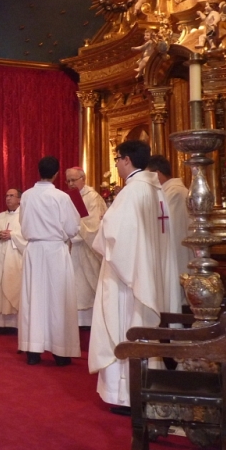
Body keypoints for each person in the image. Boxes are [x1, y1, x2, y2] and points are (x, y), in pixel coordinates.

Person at [88, 140, 180, 413]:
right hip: (148, 272)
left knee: (126, 325)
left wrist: (103, 227)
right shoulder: (157, 191)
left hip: (127, 280)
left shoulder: (131, 193)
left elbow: (113, 238)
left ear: (127, 160)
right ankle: (147, 383)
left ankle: (125, 393)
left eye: (118, 159)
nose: (116, 164)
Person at [18, 156, 81, 366]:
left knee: (33, 299)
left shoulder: (26, 196)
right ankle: (60, 352)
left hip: (34, 249)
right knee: (58, 299)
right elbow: (73, 227)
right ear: (56, 174)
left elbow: (22, 222)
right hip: (55, 250)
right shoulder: (61, 197)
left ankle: (32, 350)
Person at [65, 166, 107, 327]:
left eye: (73, 180)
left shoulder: (92, 197)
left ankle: (91, 322)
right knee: (75, 285)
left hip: (87, 247)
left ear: (83, 179)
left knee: (88, 284)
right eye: (68, 180)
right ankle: (76, 321)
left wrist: (74, 230)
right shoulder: (68, 197)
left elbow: (93, 224)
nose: (70, 184)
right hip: (73, 247)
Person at [0, 188, 27, 333]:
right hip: (0, 259)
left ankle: (15, 324)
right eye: (6, 196)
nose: (8, 198)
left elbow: (28, 236)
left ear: (19, 199)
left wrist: (12, 235)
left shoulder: (24, 216)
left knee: (14, 286)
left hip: (16, 260)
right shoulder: (0, 217)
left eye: (12, 196)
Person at [147, 154, 192, 285]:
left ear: (157, 174)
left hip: (176, 252)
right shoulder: (170, 191)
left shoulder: (174, 193)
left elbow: (162, 223)